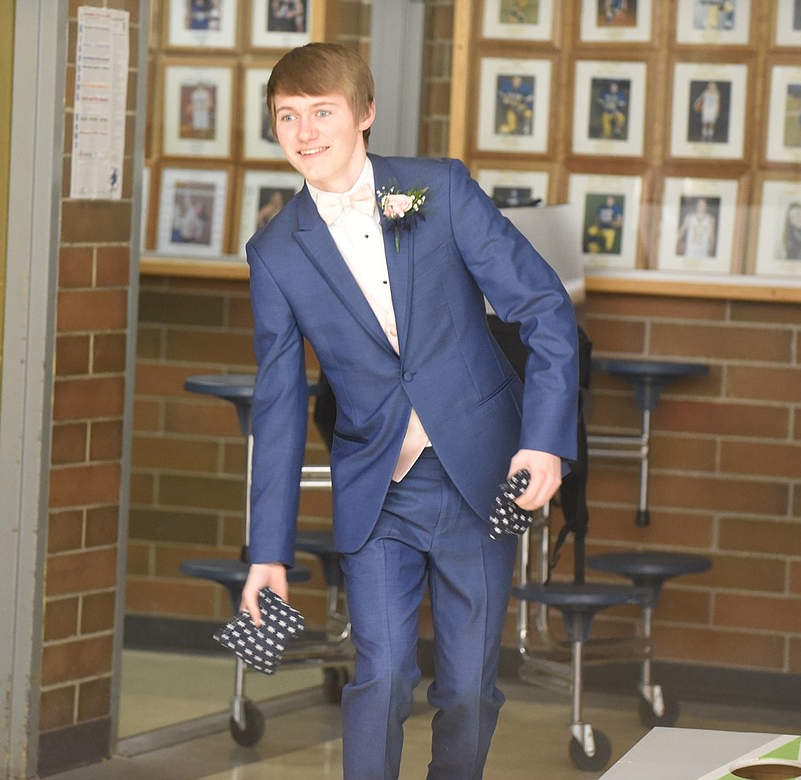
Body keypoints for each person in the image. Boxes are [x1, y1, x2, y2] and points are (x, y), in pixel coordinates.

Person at [239, 43, 578, 779]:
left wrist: (544, 443)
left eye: (321, 112)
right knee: (382, 674)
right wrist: (268, 552)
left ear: (363, 115)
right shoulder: (273, 253)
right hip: (376, 487)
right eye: (286, 116)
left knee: (465, 689)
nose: (304, 132)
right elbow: (277, 406)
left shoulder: (439, 190)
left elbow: (546, 309)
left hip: (484, 476)